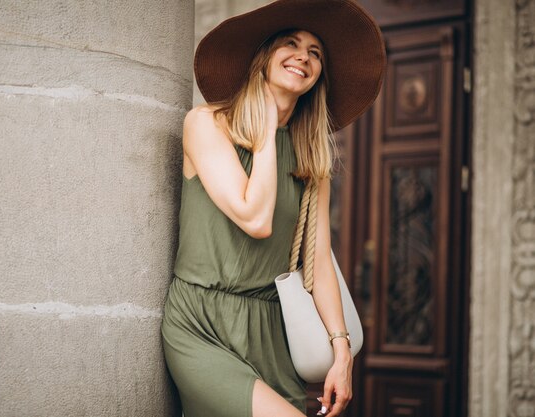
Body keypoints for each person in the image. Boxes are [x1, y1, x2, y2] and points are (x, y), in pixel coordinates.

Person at [161, 1, 385, 416]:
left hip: (272, 328)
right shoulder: (207, 124)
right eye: (291, 44)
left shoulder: (310, 159)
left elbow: (317, 261)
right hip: (203, 324)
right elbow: (255, 218)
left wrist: (342, 351)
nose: (304, 56)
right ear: (264, 57)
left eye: (315, 53)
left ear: (319, 76)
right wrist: (265, 126)